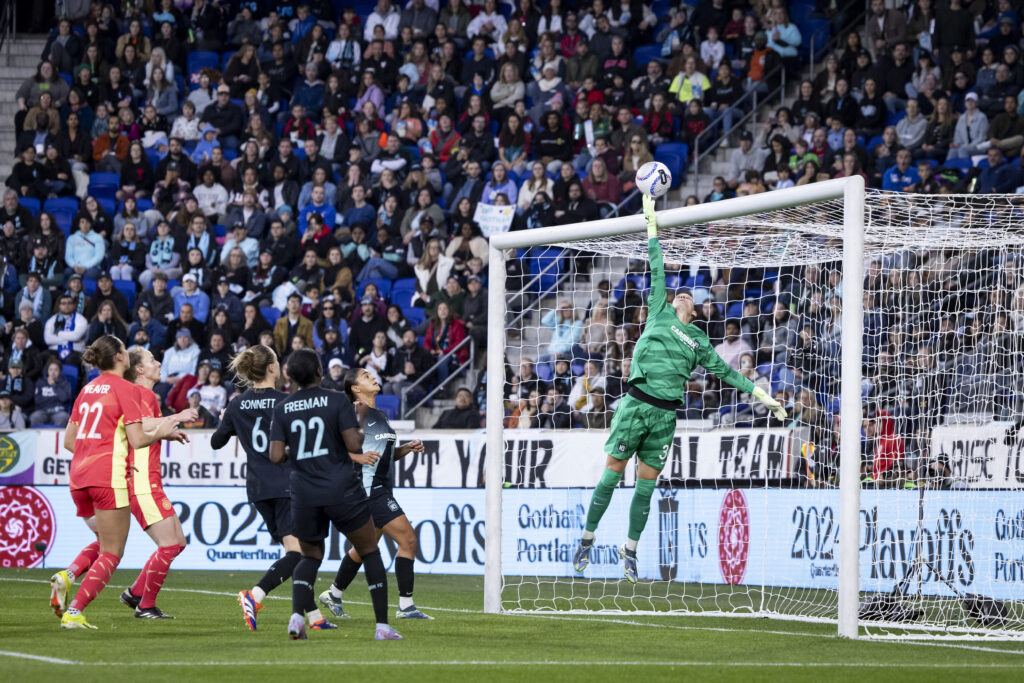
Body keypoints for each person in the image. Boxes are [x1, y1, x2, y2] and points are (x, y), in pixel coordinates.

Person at [572, 197, 787, 583]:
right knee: (610, 476)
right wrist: (652, 226)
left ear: (698, 309)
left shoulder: (699, 340)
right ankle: (587, 539)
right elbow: (656, 266)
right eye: (679, 292)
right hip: (636, 405)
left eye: (689, 295)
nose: (682, 293)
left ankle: (630, 551)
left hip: (666, 417)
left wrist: (762, 395)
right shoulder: (658, 310)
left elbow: (729, 373)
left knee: (646, 486)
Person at [51, 335, 190, 629]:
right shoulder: (127, 389)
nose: (127, 353)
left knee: (105, 542)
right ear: (118, 358)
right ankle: (76, 611)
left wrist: (95, 451)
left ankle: (70, 575)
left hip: (78, 478)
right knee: (113, 551)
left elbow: (68, 441)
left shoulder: (86, 389)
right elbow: (138, 437)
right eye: (125, 350)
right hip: (111, 477)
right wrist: (165, 430)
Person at [268, 349, 402, 641]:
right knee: (368, 549)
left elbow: (276, 455)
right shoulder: (336, 399)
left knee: (310, 555)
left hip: (303, 492)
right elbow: (354, 444)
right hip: (341, 487)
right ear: (319, 372)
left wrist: (302, 451)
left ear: (290, 376)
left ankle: (296, 618)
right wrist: (359, 423)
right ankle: (382, 627)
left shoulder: (283, 408)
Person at [318, 368, 430, 620]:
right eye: (365, 376)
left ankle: (333, 594)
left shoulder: (379, 414)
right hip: (370, 490)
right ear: (355, 388)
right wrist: (357, 457)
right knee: (408, 540)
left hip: (379, 487)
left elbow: (385, 455)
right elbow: (329, 449)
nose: (373, 377)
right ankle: (406, 606)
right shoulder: (355, 412)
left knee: (364, 547)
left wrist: (407, 449)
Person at [208, 345, 300, 630]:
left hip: (258, 489)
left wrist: (228, 419)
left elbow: (216, 443)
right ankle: (255, 594)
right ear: (272, 367)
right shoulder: (287, 401)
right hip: (287, 485)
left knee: (296, 552)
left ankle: (314, 618)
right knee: (299, 554)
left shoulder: (236, 404)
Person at [118, 347, 191, 618]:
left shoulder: (142, 395)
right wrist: (176, 417)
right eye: (151, 360)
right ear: (139, 370)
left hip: (148, 480)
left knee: (178, 542)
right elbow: (142, 424)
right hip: (141, 481)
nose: (158, 363)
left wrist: (166, 433)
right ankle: (145, 605)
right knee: (170, 544)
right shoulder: (141, 393)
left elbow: (144, 427)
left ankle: (136, 592)